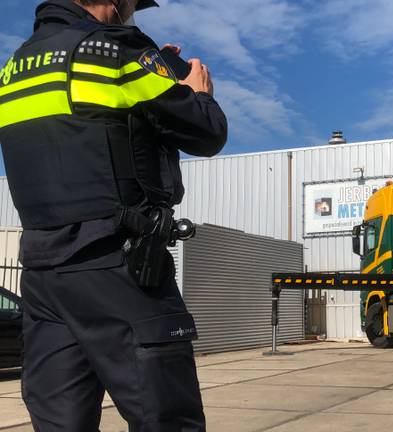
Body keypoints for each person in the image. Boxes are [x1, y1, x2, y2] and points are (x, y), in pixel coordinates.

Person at [0, 0, 227, 430]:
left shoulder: (14, 68)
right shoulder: (117, 50)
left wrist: (152, 67)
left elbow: (85, 126)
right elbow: (206, 132)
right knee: (167, 419)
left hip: (43, 274)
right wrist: (196, 92)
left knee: (60, 423)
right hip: (120, 265)